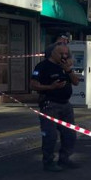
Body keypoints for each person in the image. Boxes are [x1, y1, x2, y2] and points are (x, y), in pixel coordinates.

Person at [30, 43, 81, 171]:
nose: (64, 56)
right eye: (61, 54)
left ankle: (65, 158)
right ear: (52, 53)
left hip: (65, 104)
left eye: (66, 54)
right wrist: (51, 87)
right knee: (50, 135)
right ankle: (48, 161)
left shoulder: (64, 66)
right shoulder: (42, 66)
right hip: (50, 104)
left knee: (70, 134)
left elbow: (76, 82)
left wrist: (68, 70)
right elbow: (33, 85)